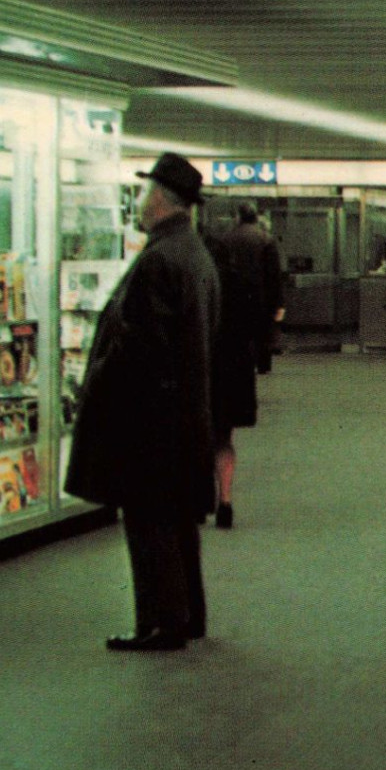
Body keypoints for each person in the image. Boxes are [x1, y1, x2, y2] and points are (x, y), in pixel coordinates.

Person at [65, 153, 219, 652]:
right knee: (176, 521)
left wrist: (99, 387)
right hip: (183, 412)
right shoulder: (193, 255)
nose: (137, 201)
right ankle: (187, 614)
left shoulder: (159, 260)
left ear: (158, 199)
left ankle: (160, 623)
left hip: (150, 419)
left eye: (141, 192)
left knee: (148, 521)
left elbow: (139, 346)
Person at [204, 215, 266, 530]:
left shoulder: (197, 283)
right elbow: (255, 326)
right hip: (233, 372)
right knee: (224, 437)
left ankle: (198, 500)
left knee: (197, 435)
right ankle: (225, 501)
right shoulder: (241, 284)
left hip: (202, 369)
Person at [217, 203, 284, 373]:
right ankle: (263, 364)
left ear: (238, 217)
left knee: (237, 333)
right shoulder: (266, 239)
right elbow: (274, 274)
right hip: (260, 295)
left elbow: (219, 271)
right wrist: (278, 302)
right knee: (261, 331)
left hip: (233, 296)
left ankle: (238, 363)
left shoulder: (226, 239)